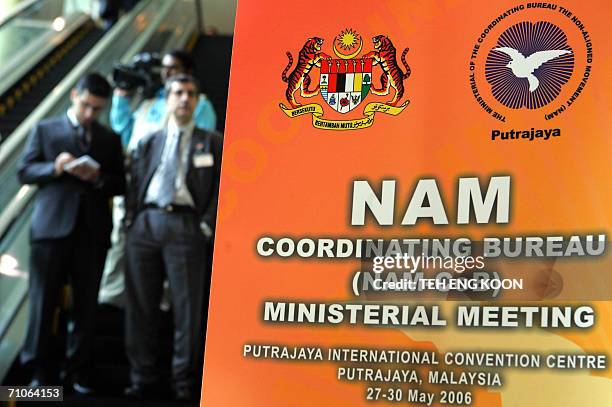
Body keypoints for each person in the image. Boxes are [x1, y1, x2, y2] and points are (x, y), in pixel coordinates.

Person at [17, 73, 125, 392]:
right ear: (74, 95)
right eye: (87, 106)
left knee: (86, 305)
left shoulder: (109, 138)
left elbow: (120, 184)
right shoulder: (45, 129)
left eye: (98, 109)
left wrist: (98, 179)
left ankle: (78, 370)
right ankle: (37, 373)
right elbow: (24, 170)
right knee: (42, 301)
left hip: (91, 231)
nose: (91, 114)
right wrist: (56, 167)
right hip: (51, 229)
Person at [123, 74, 222, 402]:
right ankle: (142, 377)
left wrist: (206, 225)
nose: (184, 98)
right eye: (178, 93)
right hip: (146, 225)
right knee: (140, 307)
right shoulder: (149, 141)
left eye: (191, 93)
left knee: (187, 308)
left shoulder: (212, 142)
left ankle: (183, 381)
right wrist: (131, 221)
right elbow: (135, 181)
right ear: (167, 99)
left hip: (186, 227)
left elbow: (223, 190)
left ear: (198, 101)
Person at [98, 49, 216, 308]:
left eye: (173, 68)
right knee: (121, 243)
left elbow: (202, 143)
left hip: (177, 191)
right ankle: (113, 297)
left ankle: (163, 300)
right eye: (164, 68)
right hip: (140, 185)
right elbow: (123, 131)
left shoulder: (198, 103)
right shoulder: (150, 102)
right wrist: (122, 95)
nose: (166, 73)